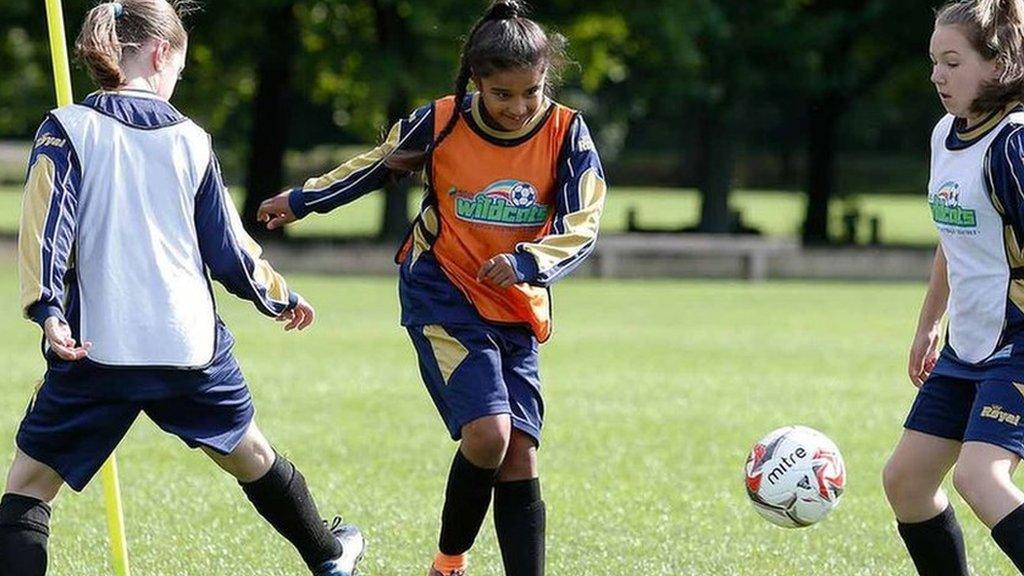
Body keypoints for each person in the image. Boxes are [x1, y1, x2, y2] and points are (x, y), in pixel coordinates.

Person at [0, 2, 364, 575]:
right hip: (189, 348)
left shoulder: (65, 129)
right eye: (179, 70)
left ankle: (329, 554)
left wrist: (50, 315)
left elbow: (48, 233)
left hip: (96, 349)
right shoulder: (192, 140)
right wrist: (279, 295)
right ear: (162, 54)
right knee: (254, 455)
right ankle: (330, 557)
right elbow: (229, 250)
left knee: (27, 489)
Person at [257, 2, 606, 574]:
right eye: (502, 95)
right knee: (490, 433)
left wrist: (528, 261)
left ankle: (458, 565)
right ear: (476, 82)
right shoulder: (441, 120)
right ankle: (450, 562)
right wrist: (301, 200)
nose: (519, 108)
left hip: (517, 302)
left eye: (532, 92)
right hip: (441, 292)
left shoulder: (567, 131)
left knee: (519, 451)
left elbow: (584, 222)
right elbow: (373, 166)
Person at [882, 0, 1024, 573]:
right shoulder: (946, 134)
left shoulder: (1013, 147)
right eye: (934, 62)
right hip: (968, 346)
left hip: (1016, 346)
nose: (937, 75)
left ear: (997, 65)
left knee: (979, 476)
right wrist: (928, 322)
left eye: (952, 61)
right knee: (907, 482)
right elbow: (955, 235)